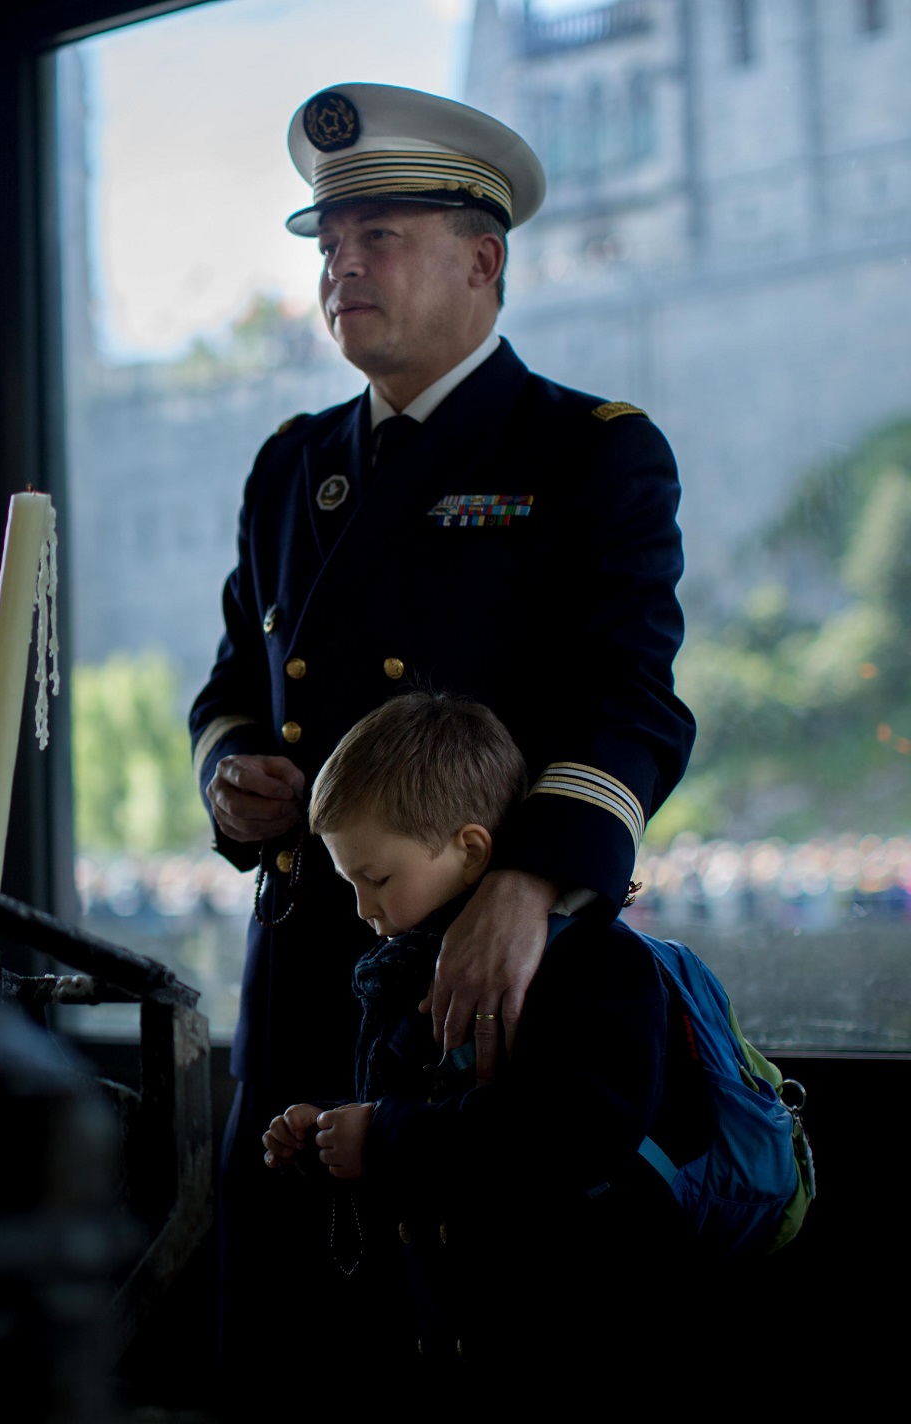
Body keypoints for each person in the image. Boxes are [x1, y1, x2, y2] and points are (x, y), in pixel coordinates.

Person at [186, 83, 696, 1399]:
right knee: (283, 1339)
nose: (341, 266)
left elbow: (635, 699)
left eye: (379, 237)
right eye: (328, 243)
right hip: (301, 964)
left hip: (482, 991)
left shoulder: (589, 456)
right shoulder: (290, 466)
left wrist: (524, 887)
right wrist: (231, 778)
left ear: (485, 261)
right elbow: (236, 680)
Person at [260, 692, 704, 1376]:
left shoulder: (594, 963)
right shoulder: (404, 970)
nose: (361, 907)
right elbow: (412, 1132)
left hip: (579, 1320)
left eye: (375, 878)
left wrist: (381, 1136)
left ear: (470, 851)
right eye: (350, 882)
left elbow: (576, 1133)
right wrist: (329, 1141)